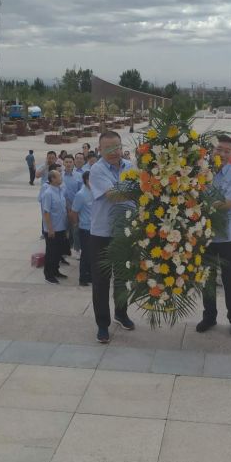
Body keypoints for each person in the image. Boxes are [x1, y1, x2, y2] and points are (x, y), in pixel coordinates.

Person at [89, 131, 135, 343]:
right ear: (99, 149)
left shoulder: (130, 166)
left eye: (116, 147)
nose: (114, 152)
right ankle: (102, 324)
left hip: (125, 232)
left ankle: (121, 313)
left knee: (123, 277)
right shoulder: (97, 170)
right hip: (102, 235)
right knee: (101, 281)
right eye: (108, 148)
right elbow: (113, 195)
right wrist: (139, 189)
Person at [197, 134, 231, 337]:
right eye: (219, 150)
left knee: (230, 281)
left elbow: (228, 203)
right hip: (204, 237)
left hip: (227, 238)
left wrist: (200, 205)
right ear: (211, 151)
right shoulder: (201, 171)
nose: (222, 154)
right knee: (206, 279)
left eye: (227, 151)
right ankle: (209, 317)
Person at [41, 170, 68, 284]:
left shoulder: (60, 190)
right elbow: (46, 212)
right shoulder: (48, 193)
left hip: (61, 227)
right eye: (58, 176)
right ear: (52, 179)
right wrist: (50, 228)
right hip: (52, 229)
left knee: (58, 252)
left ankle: (56, 271)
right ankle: (48, 275)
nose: (61, 178)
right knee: (51, 253)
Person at [71, 171, 93, 286]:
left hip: (94, 228)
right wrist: (76, 224)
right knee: (86, 254)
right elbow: (74, 212)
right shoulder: (81, 194)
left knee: (92, 254)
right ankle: (83, 278)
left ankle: (90, 276)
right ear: (86, 180)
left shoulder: (94, 191)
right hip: (85, 228)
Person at [62, 155, 83, 256]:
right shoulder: (59, 176)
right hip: (63, 208)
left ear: (73, 163)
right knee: (64, 229)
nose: (68, 164)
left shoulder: (79, 176)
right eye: (66, 162)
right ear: (63, 163)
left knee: (75, 229)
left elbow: (81, 192)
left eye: (70, 162)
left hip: (75, 208)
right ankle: (65, 250)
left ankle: (77, 249)